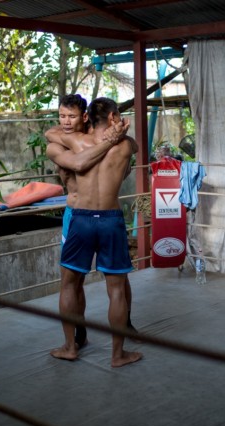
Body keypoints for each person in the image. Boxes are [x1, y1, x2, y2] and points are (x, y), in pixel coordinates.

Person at [48, 97, 142, 368]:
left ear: (86, 117)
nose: (66, 121)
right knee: (116, 289)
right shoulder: (124, 146)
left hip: (81, 217)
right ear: (113, 117)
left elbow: (54, 136)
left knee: (68, 283)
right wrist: (116, 136)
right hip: (111, 219)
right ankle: (117, 355)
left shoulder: (76, 142)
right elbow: (133, 145)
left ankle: (69, 346)